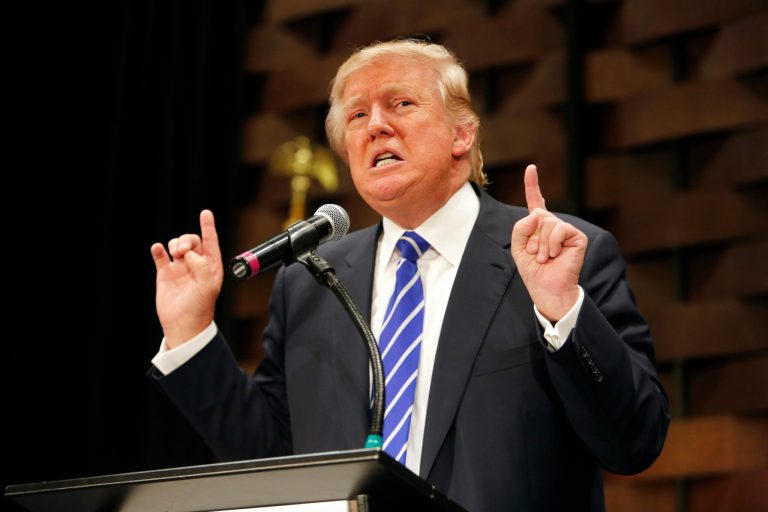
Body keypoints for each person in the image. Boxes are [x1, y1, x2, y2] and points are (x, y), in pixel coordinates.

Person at [149, 39, 670, 511]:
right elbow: (272, 465)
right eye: (356, 116)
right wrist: (190, 332)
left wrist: (561, 312)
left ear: (462, 136)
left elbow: (634, 441)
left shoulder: (556, 257)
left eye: (401, 104)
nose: (376, 125)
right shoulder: (311, 281)